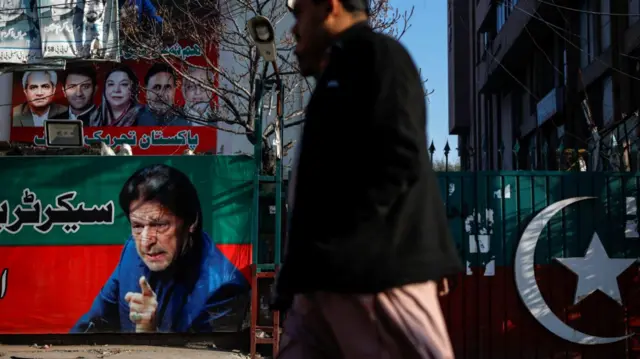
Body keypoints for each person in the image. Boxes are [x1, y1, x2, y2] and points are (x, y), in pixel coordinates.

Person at [274, 0, 461, 358]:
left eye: (299, 15)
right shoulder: (339, 71)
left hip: (371, 279)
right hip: (321, 285)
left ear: (330, 7)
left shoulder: (378, 56)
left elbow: (399, 157)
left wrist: (340, 247)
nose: (294, 30)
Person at [71, 164, 249, 333]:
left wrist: (149, 334)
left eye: (160, 225)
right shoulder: (132, 251)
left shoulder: (224, 290)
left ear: (191, 222)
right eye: (138, 226)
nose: (146, 242)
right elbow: (92, 323)